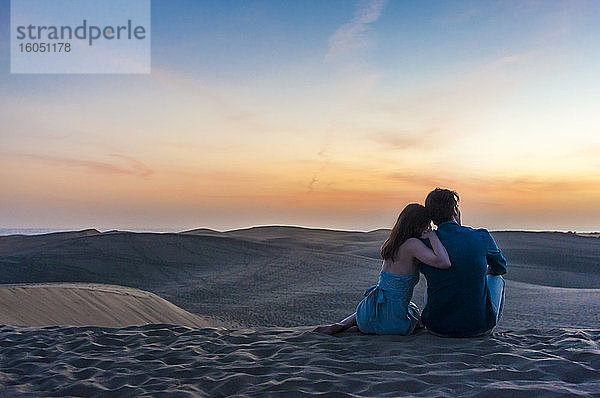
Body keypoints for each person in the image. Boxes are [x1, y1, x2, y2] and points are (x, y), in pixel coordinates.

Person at [313, 204, 451, 335]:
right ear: (419, 224)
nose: (429, 226)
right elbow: (443, 261)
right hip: (392, 317)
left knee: (387, 302)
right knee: (415, 317)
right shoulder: (412, 244)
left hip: (370, 309)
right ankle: (358, 329)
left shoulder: (393, 244)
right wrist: (433, 236)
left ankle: (343, 325)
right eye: (427, 223)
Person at [419, 188, 507, 337]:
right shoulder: (480, 236)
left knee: (435, 280)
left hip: (436, 328)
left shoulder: (425, 243)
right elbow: (500, 267)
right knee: (497, 279)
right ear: (454, 210)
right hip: (478, 328)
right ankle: (489, 327)